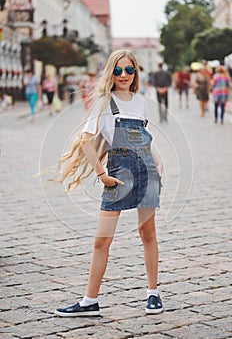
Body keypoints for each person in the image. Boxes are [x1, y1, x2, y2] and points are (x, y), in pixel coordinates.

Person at [54, 49, 164, 317]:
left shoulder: (141, 103)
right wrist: (101, 172)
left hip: (146, 173)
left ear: (135, 72)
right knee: (102, 241)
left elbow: (144, 136)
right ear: (110, 73)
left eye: (129, 70)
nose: (123, 75)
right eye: (117, 70)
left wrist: (159, 161)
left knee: (148, 234)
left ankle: (153, 293)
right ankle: (89, 300)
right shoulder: (104, 102)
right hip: (116, 176)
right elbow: (86, 139)